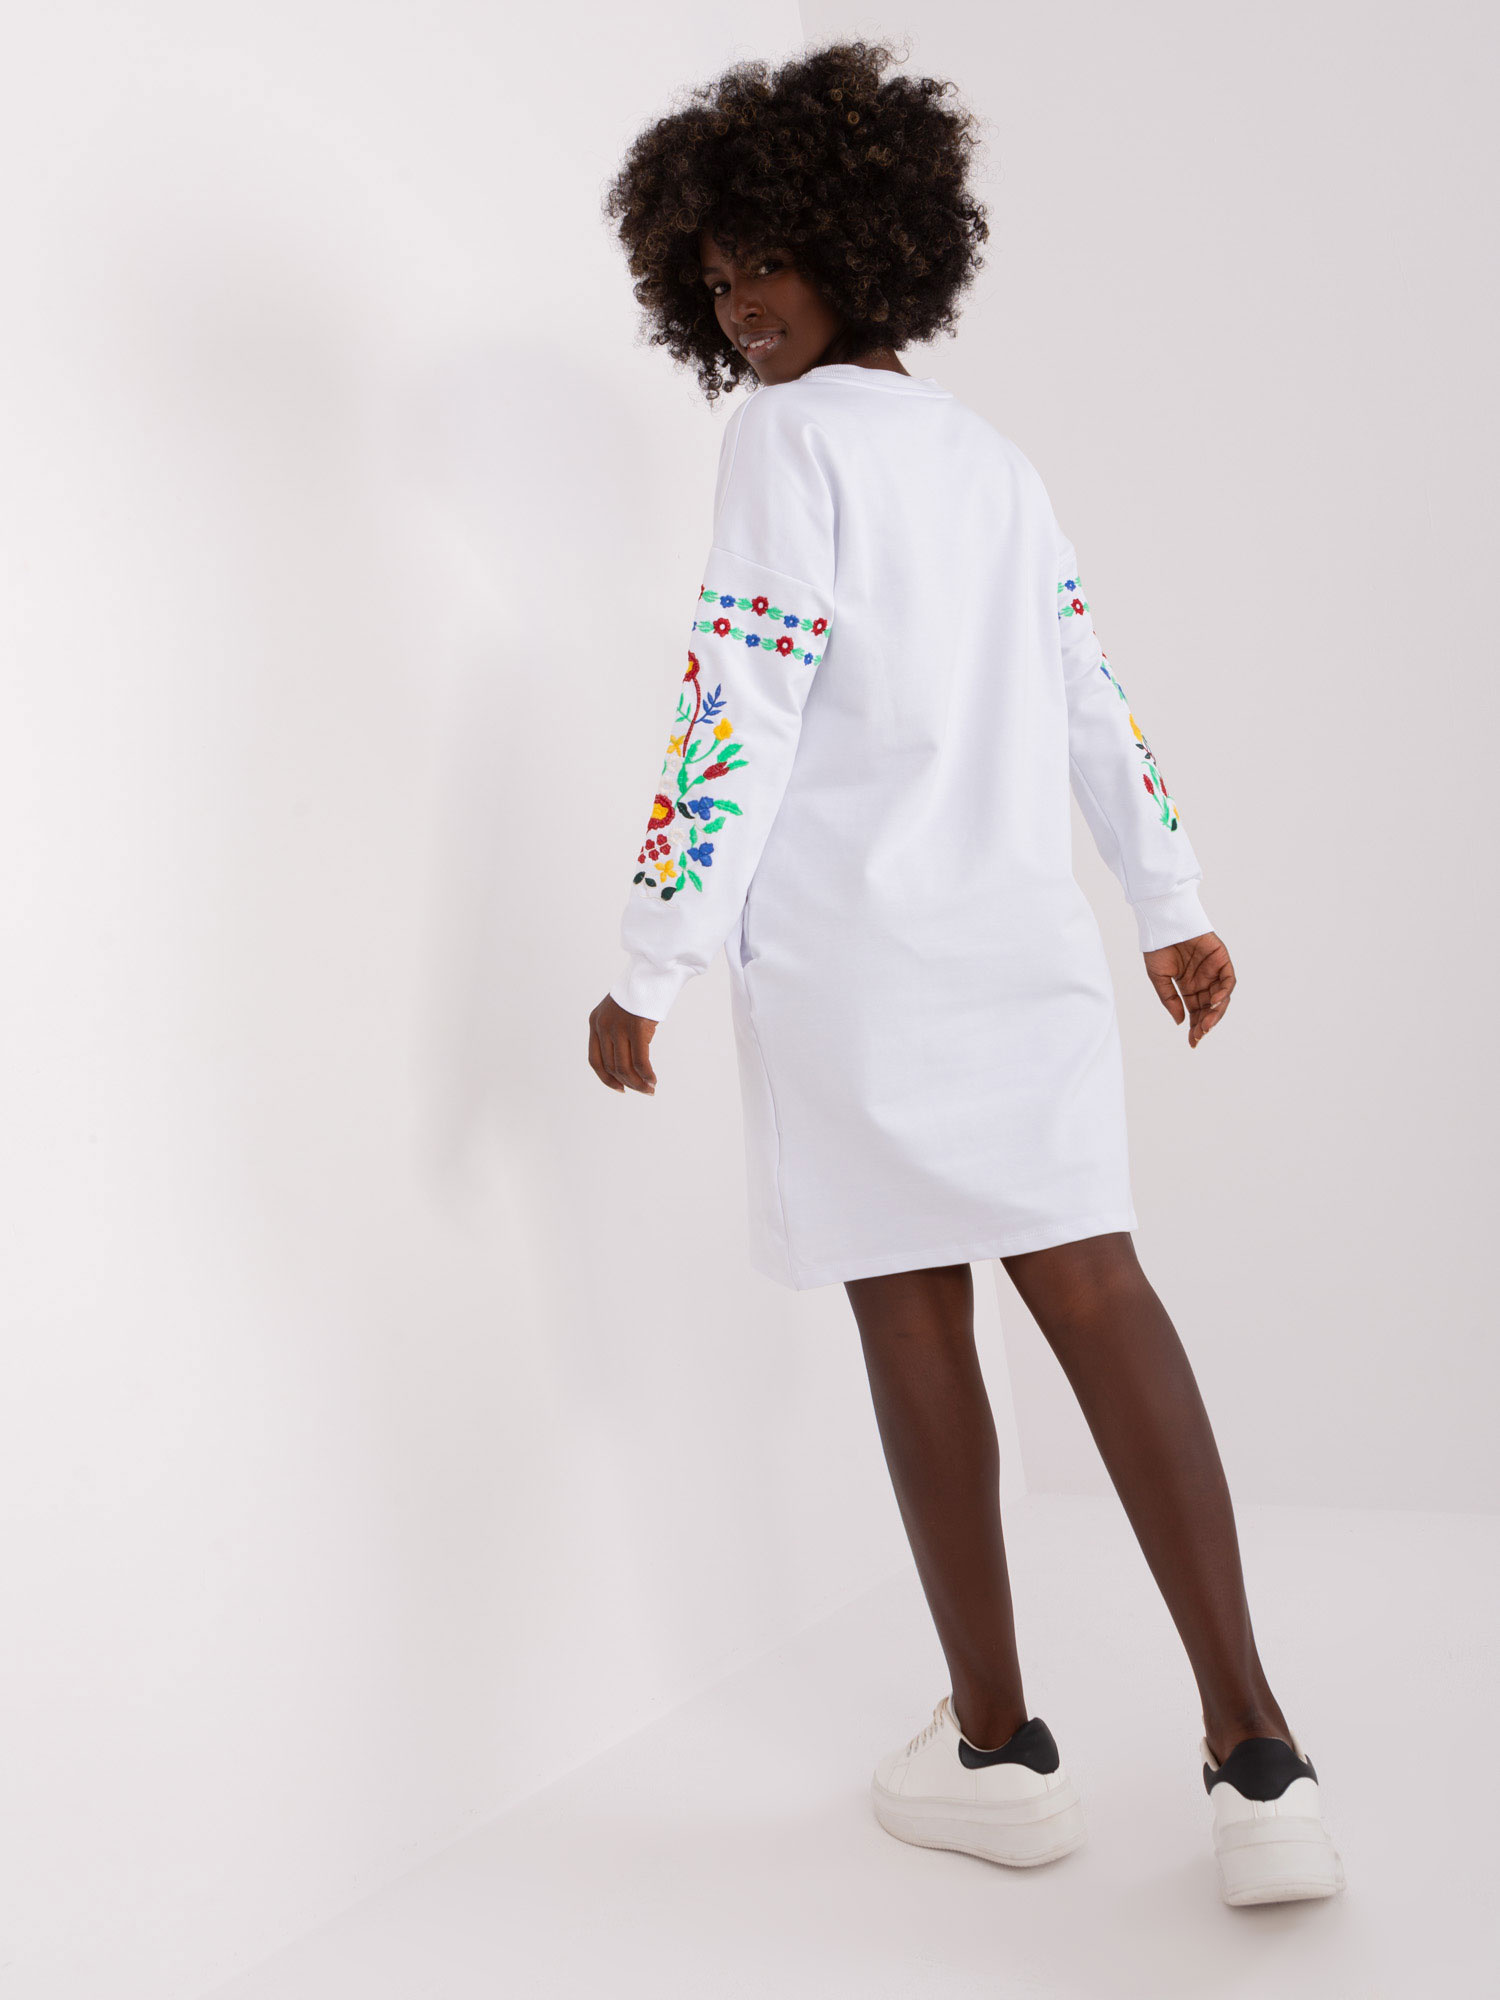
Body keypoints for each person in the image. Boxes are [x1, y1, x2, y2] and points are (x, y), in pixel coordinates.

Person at [587, 39, 1344, 1907]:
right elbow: (1090, 691)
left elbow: (736, 707)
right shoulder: (992, 462)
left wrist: (649, 960)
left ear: (864, 245)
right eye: (714, 277)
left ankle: (999, 1752)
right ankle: (1257, 1756)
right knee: (1098, 1290)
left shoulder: (784, 443)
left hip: (857, 965)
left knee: (917, 1316)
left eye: (767, 261)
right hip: (1024, 950)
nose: (739, 305)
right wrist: (1166, 897)